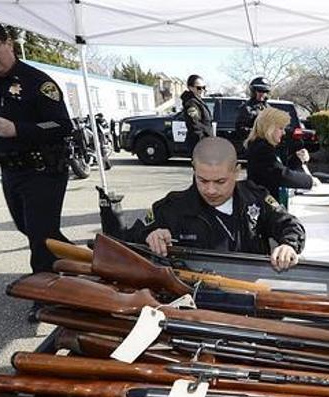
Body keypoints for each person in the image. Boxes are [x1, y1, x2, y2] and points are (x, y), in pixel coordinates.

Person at [0, 15, 73, 320]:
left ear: (9, 44)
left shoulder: (38, 82)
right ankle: (88, 263)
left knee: (40, 238)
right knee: (33, 231)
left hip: (43, 170)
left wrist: (18, 129)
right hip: (10, 171)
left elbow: (62, 126)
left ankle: (46, 297)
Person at [126, 137, 305, 271]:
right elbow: (130, 240)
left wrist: (288, 245)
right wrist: (150, 236)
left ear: (236, 172)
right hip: (194, 301)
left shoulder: (256, 198)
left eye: (220, 182)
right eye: (202, 180)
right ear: (194, 171)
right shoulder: (171, 208)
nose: (210, 190)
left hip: (250, 290)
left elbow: (290, 224)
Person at [244, 107, 319, 203]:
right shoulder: (262, 148)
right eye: (280, 128)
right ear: (269, 128)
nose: (283, 132)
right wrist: (310, 181)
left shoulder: (262, 145)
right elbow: (280, 175)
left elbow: (279, 169)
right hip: (264, 204)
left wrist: (297, 159)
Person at [180, 74, 213, 153]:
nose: (202, 90)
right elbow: (195, 126)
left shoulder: (198, 101)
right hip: (199, 144)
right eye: (199, 88)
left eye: (204, 87)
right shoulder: (191, 104)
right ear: (190, 88)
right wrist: (203, 144)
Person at [235, 76, 271, 143]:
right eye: (259, 91)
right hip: (252, 145)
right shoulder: (246, 108)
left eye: (264, 91)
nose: (261, 93)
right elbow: (240, 129)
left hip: (267, 146)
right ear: (254, 92)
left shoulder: (268, 108)